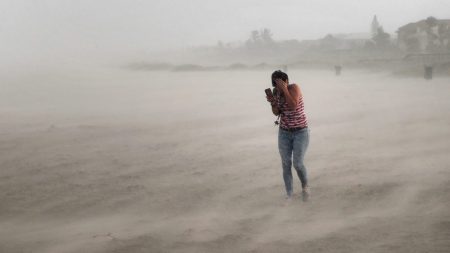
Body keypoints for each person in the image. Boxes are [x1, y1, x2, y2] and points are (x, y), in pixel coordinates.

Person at [266, 70, 310, 201]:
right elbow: (276, 113)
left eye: (279, 83)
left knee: (298, 163)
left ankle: (305, 186)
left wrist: (284, 90)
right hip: (284, 132)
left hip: (300, 131)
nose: (277, 87)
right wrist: (272, 102)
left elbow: (293, 105)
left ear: (286, 81)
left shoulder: (294, 88)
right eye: (275, 84)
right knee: (285, 163)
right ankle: (289, 194)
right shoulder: (276, 92)